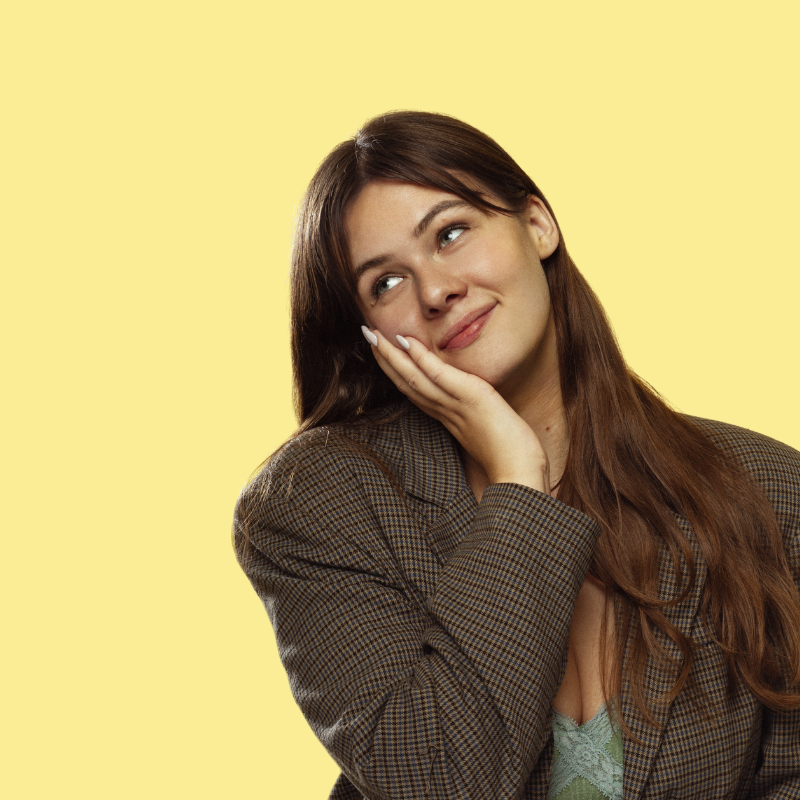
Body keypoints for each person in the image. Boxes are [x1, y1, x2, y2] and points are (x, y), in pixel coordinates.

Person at [233, 111, 800, 799]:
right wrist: (518, 486)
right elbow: (438, 782)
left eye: (451, 233)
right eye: (386, 283)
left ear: (537, 223)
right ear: (367, 335)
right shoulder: (320, 502)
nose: (437, 291)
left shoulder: (768, 487)